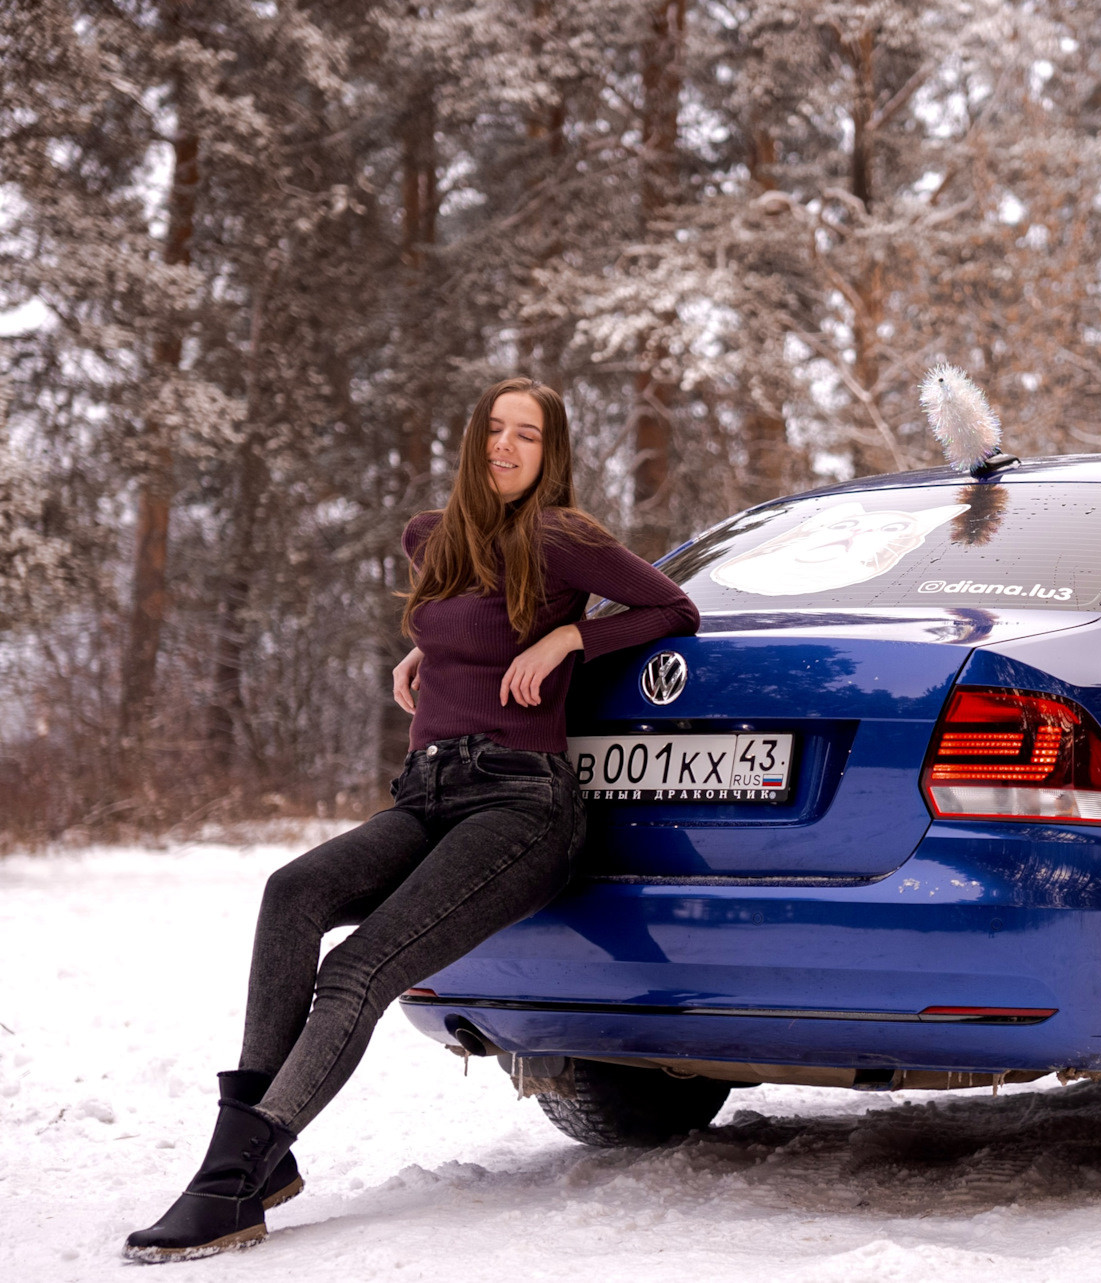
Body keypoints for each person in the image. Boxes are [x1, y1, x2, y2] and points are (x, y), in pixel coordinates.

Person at [124, 377, 699, 1262]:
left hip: (521, 805)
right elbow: (464, 620)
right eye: (495, 430)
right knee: (292, 892)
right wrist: (424, 649)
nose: (507, 447)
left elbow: (672, 607)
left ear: (554, 455)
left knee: (359, 967)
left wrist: (567, 639)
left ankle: (234, 1177)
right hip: (429, 789)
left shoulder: (562, 538)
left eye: (529, 437)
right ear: (473, 440)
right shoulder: (431, 537)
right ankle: (256, 1159)